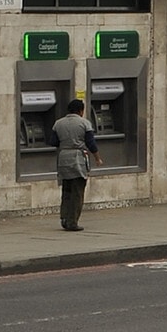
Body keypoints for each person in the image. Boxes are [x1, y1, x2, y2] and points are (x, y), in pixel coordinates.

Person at [51, 96, 101, 232]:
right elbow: (91, 143)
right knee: (77, 191)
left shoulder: (58, 123)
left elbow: (53, 142)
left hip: (63, 158)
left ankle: (64, 218)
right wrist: (97, 158)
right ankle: (73, 221)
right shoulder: (84, 124)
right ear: (81, 111)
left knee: (66, 190)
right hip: (78, 158)